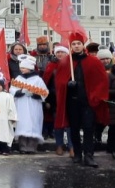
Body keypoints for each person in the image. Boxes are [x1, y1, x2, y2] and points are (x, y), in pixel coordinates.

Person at [45, 32, 109, 167]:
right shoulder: (65, 62)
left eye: (78, 43)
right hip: (72, 101)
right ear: (70, 46)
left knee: (88, 129)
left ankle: (89, 155)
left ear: (82, 45)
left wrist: (95, 96)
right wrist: (67, 84)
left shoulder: (93, 62)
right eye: (73, 44)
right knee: (73, 129)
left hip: (88, 102)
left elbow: (101, 81)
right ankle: (78, 154)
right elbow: (59, 81)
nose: (76, 46)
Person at [11, 55, 49, 154]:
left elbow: (44, 92)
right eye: (21, 68)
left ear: (29, 68)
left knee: (33, 124)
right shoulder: (19, 78)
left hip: (34, 105)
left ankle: (32, 146)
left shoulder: (37, 79)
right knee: (22, 124)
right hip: (21, 105)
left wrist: (34, 94)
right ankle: (22, 146)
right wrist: (21, 92)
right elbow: (12, 90)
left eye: (23, 68)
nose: (21, 70)